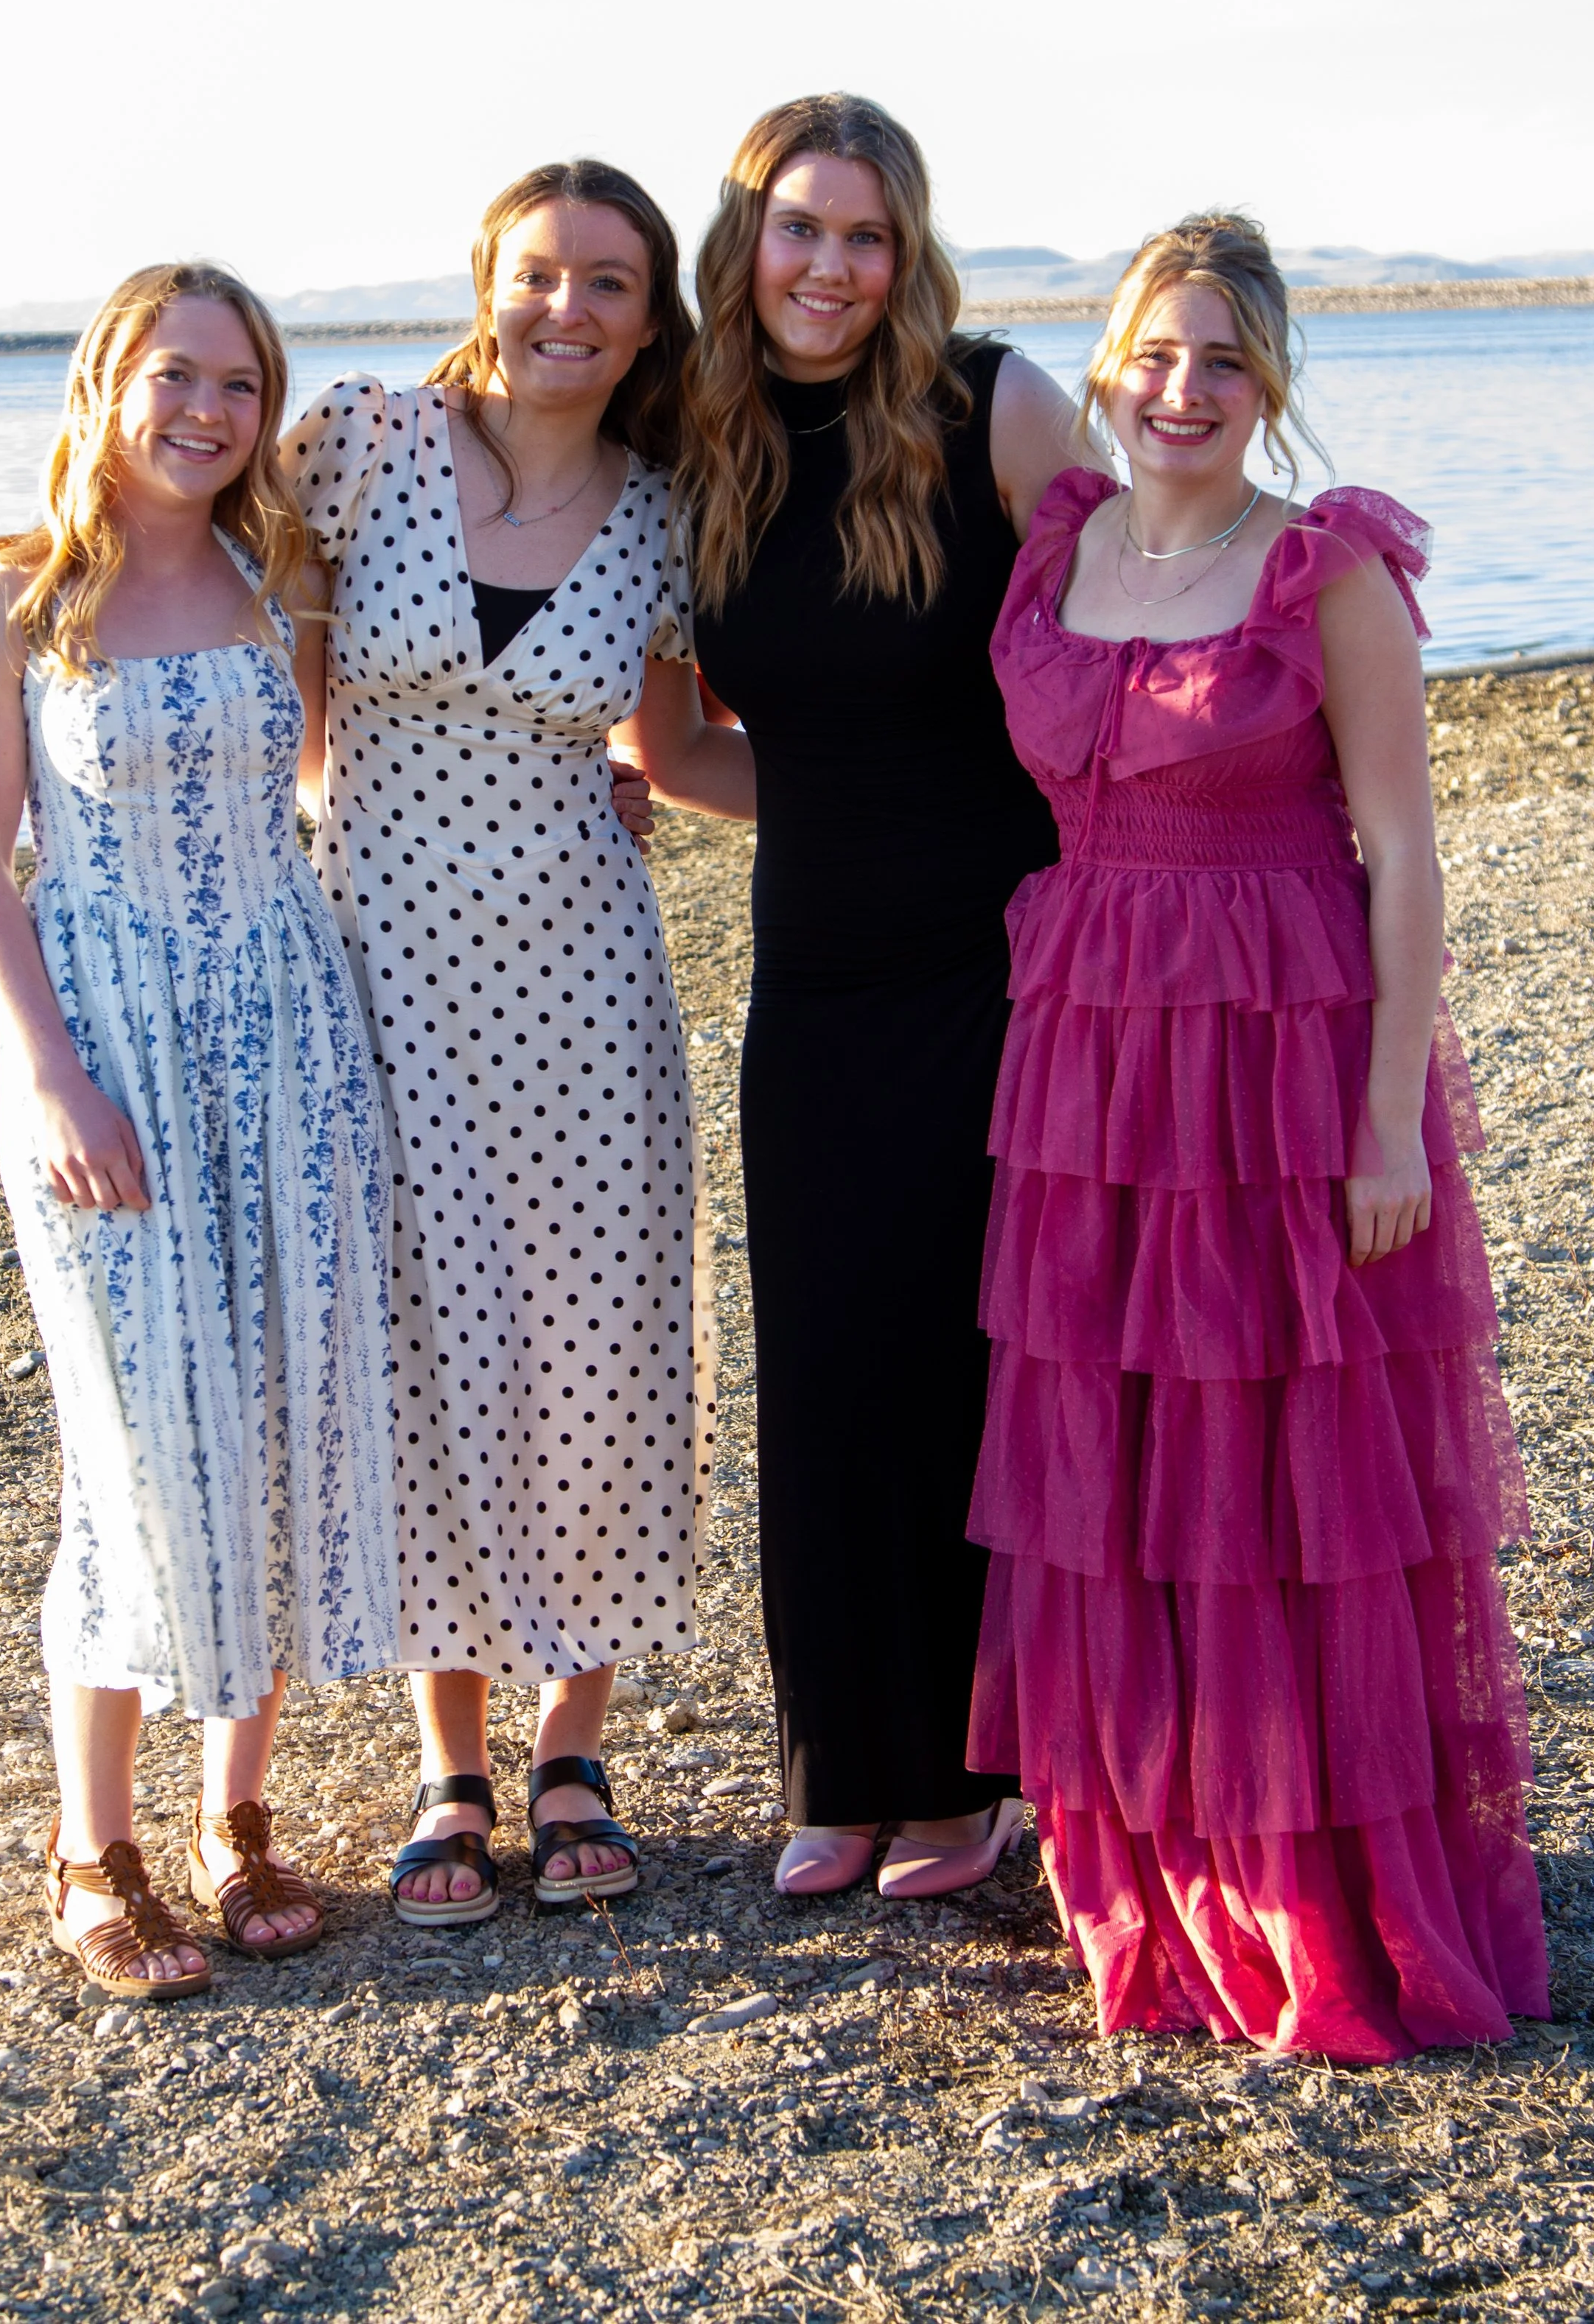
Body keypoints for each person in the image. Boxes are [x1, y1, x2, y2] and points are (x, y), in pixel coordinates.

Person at [968, 211, 1548, 2056]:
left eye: (1223, 360)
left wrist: (1390, 1128)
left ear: (1269, 381)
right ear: (1108, 363)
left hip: (1277, 1059)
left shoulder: (1322, 570)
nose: (1182, 389)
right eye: (1154, 352)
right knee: (1119, 1447)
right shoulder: (1056, 543)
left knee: (1283, 1469)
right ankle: (1154, 1846)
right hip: (1086, 1058)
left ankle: (1310, 1874)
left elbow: (1403, 853)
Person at [284, 162, 752, 1924]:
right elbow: (260, 682)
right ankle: (448, 1764)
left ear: (648, 320)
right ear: (485, 277)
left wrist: (913, 800)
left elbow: (676, 754)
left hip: (585, 998)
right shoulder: (358, 442)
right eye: (540, 271)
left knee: (599, 1345)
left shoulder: (667, 510)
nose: (568, 307)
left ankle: (572, 1749)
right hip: (380, 976)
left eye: (608, 283)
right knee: (425, 1343)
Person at [0, 264, 399, 2000]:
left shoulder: (282, 573)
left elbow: (336, 773)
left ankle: (238, 1817)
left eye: (239, 384)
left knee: (272, 1408)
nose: (206, 411)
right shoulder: (14, 591)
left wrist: (594, 775)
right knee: (130, 1441)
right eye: (175, 375)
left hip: (287, 1031)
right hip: (104, 1046)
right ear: (105, 382)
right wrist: (46, 1070)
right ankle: (92, 1847)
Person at [664, 93, 1091, 1900]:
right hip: (814, 974)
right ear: (743, 241)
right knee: (825, 1364)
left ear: (905, 252)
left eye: (865, 235)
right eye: (800, 229)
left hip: (1006, 962)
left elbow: (1133, 628)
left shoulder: (991, 404)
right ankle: (840, 1772)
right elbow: (678, 743)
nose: (830, 268)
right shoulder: (697, 440)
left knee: (963, 1358)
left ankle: (976, 1779)